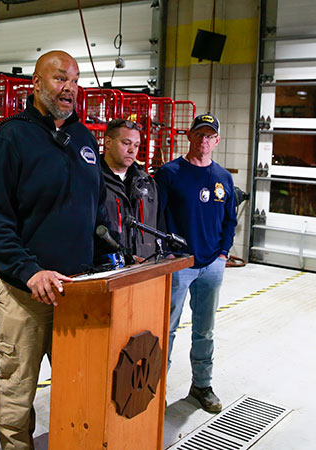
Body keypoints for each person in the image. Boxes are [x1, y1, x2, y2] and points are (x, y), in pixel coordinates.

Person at [0, 50, 110, 449]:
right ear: (35, 83)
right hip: (24, 291)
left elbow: (96, 207)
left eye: (75, 79)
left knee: (80, 383)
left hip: (77, 290)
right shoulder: (10, 137)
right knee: (18, 388)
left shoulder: (84, 138)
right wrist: (29, 271)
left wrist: (109, 258)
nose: (70, 88)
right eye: (59, 78)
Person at [155, 113, 237, 413]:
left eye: (209, 136)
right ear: (189, 137)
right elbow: (157, 216)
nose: (203, 141)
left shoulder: (224, 178)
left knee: (205, 329)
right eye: (198, 134)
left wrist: (223, 253)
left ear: (216, 141)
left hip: (212, 265)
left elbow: (230, 219)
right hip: (179, 264)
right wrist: (167, 254)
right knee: (167, 328)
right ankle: (157, 388)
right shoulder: (170, 173)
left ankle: (201, 384)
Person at [101, 118, 161, 260]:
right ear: (108, 142)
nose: (131, 150)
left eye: (136, 145)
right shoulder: (93, 180)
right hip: (109, 268)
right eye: (126, 143)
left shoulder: (146, 182)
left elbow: (158, 224)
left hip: (144, 266)